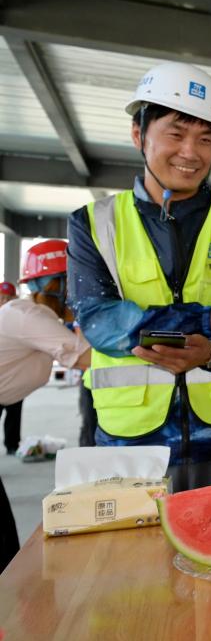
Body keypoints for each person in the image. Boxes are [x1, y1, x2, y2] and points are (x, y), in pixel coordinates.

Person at [66, 62, 211, 492]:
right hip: (130, 443)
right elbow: (101, 322)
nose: (191, 152)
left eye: (205, 139)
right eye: (176, 133)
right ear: (139, 134)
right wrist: (209, 320)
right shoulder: (94, 224)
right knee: (139, 560)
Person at [0, 240, 91, 570]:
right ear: (58, 285)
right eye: (79, 282)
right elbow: (87, 358)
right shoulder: (27, 314)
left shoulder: (39, 318)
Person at [0, 282, 22, 454]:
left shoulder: (18, 319)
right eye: (1, 297)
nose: (5, 301)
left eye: (8, 298)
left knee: (14, 413)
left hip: (15, 375)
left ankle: (12, 445)